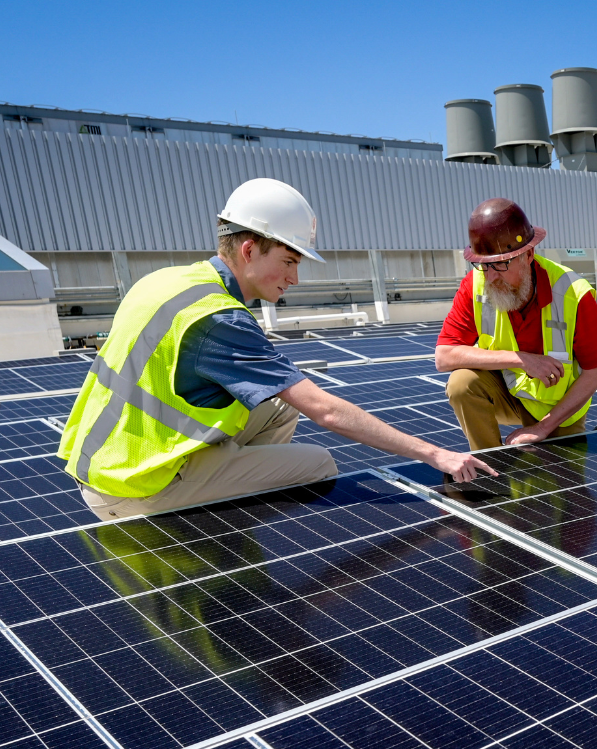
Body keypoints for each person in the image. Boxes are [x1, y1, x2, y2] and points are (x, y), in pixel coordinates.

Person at [60, 178, 493, 521]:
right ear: (249, 250)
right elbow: (324, 410)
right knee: (319, 464)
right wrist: (436, 453)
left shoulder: (167, 281)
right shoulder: (218, 318)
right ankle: (202, 521)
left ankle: (221, 483)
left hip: (107, 461)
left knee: (277, 408)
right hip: (137, 484)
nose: (295, 279)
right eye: (289, 261)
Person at [434, 198, 597, 451]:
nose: (491, 275)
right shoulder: (475, 285)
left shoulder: (573, 293)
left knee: (560, 482)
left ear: (528, 254)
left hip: (558, 406)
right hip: (506, 393)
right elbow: (443, 357)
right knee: (461, 384)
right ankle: (490, 466)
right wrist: (521, 359)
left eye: (501, 263)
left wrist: (541, 428)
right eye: (484, 265)